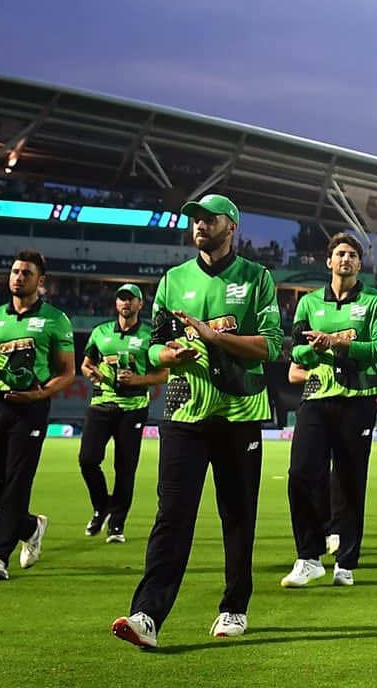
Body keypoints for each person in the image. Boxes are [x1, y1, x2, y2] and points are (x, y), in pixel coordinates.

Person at [111, 194, 283, 651]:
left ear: (233, 226)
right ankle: (147, 614)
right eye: (195, 220)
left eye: (210, 219)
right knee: (172, 514)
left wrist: (211, 336)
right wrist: (170, 354)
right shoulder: (173, 281)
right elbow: (151, 347)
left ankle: (234, 606)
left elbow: (270, 347)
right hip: (184, 412)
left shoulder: (257, 277)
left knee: (237, 515)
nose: (200, 225)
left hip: (240, 413)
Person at [282, 233, 377, 589]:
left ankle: (345, 561)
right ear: (328, 261)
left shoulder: (375, 302)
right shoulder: (309, 304)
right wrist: (317, 350)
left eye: (352, 255)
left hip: (359, 400)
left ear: (359, 264)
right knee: (301, 473)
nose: (345, 259)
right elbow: (295, 354)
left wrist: (337, 343)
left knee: (349, 481)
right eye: (339, 254)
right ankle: (308, 557)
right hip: (316, 397)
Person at [0, 250, 76, 580]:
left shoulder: (56, 319)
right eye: (15, 271)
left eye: (26, 273)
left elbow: (67, 372)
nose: (18, 277)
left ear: (40, 281)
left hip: (31, 407)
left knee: (17, 483)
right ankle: (30, 525)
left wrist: (40, 393)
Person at [78, 283, 167, 542]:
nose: (125, 303)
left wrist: (137, 381)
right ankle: (101, 505)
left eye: (131, 299)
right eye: (121, 299)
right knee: (88, 460)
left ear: (140, 304)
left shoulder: (152, 334)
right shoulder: (101, 332)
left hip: (133, 408)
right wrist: (90, 372)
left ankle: (117, 524)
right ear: (116, 304)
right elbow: (86, 363)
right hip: (101, 404)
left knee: (125, 468)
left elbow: (164, 373)